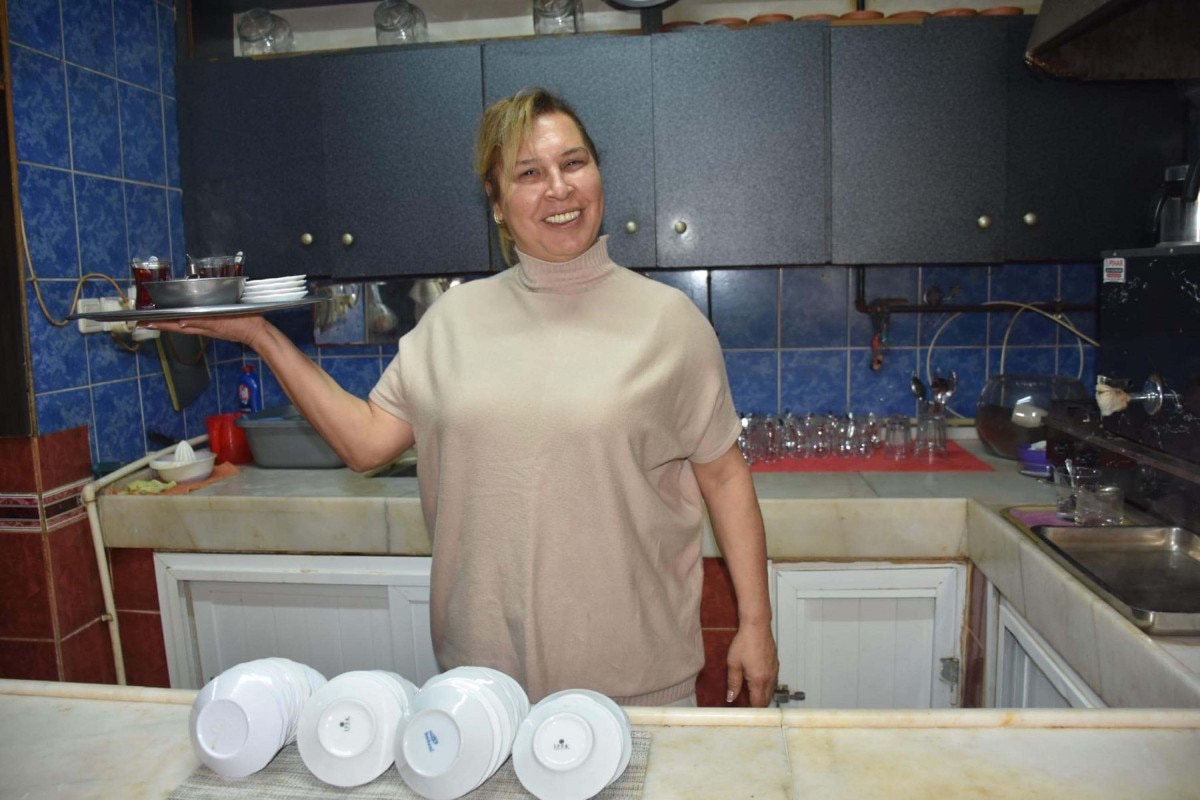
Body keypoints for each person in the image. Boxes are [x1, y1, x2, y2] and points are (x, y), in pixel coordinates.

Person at [147, 88, 778, 707]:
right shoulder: (452, 320)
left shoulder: (668, 322)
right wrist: (261, 336)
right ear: (496, 202)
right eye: (529, 173)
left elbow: (724, 477)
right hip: (483, 689)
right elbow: (366, 443)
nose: (559, 188)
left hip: (634, 681)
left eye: (574, 162)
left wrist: (756, 624)